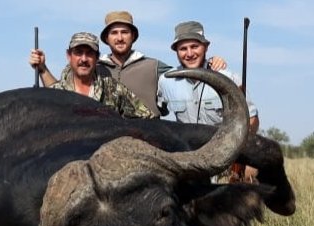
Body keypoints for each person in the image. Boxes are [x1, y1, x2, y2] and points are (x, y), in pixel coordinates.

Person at [157, 21, 260, 180]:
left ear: (206, 47)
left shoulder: (228, 77)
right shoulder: (166, 81)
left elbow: (252, 119)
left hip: (225, 154)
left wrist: (240, 149)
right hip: (188, 157)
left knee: (250, 173)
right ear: (176, 51)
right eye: (183, 49)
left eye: (194, 46)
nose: (189, 53)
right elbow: (157, 111)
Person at [98, 11, 227, 117]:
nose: (120, 38)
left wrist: (211, 61)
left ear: (133, 36)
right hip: (106, 139)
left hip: (148, 140)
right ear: (106, 38)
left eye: (125, 32)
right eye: (114, 33)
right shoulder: (96, 69)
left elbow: (188, 69)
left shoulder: (153, 66)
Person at [30, 32, 155, 119]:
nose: (84, 59)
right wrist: (42, 69)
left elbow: (147, 118)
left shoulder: (114, 90)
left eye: (89, 53)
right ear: (69, 56)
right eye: (78, 53)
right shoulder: (56, 94)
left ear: (97, 58)